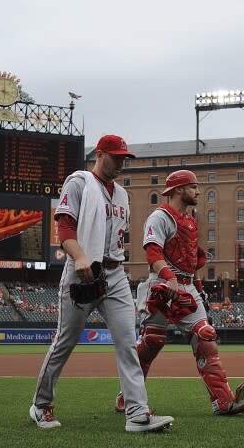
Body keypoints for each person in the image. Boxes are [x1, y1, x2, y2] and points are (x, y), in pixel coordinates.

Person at [30, 134, 173, 433]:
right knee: (65, 342)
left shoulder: (122, 194)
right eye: (117, 157)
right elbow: (65, 225)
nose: (121, 162)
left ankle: (136, 414)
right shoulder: (79, 182)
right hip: (81, 271)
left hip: (115, 275)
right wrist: (80, 257)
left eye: (124, 158)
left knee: (127, 343)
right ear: (100, 154)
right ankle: (40, 405)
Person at [115, 169, 244, 416]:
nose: (198, 191)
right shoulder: (159, 217)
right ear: (179, 189)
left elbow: (190, 260)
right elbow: (153, 252)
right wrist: (169, 278)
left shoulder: (190, 220)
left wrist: (198, 287)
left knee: (205, 337)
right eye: (193, 187)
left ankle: (223, 401)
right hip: (162, 285)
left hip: (187, 285)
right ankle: (127, 397)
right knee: (152, 342)